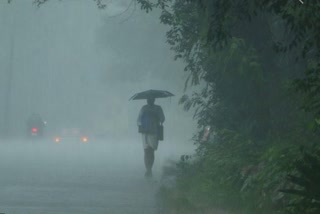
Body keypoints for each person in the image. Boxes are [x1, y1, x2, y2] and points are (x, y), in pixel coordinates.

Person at [137, 97, 165, 177]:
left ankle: (149, 169)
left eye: (151, 99)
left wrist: (155, 117)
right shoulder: (147, 108)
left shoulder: (156, 108)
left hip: (151, 132)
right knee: (147, 151)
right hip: (148, 132)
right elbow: (139, 120)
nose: (149, 100)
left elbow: (162, 119)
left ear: (154, 100)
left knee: (149, 151)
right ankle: (148, 169)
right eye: (148, 99)